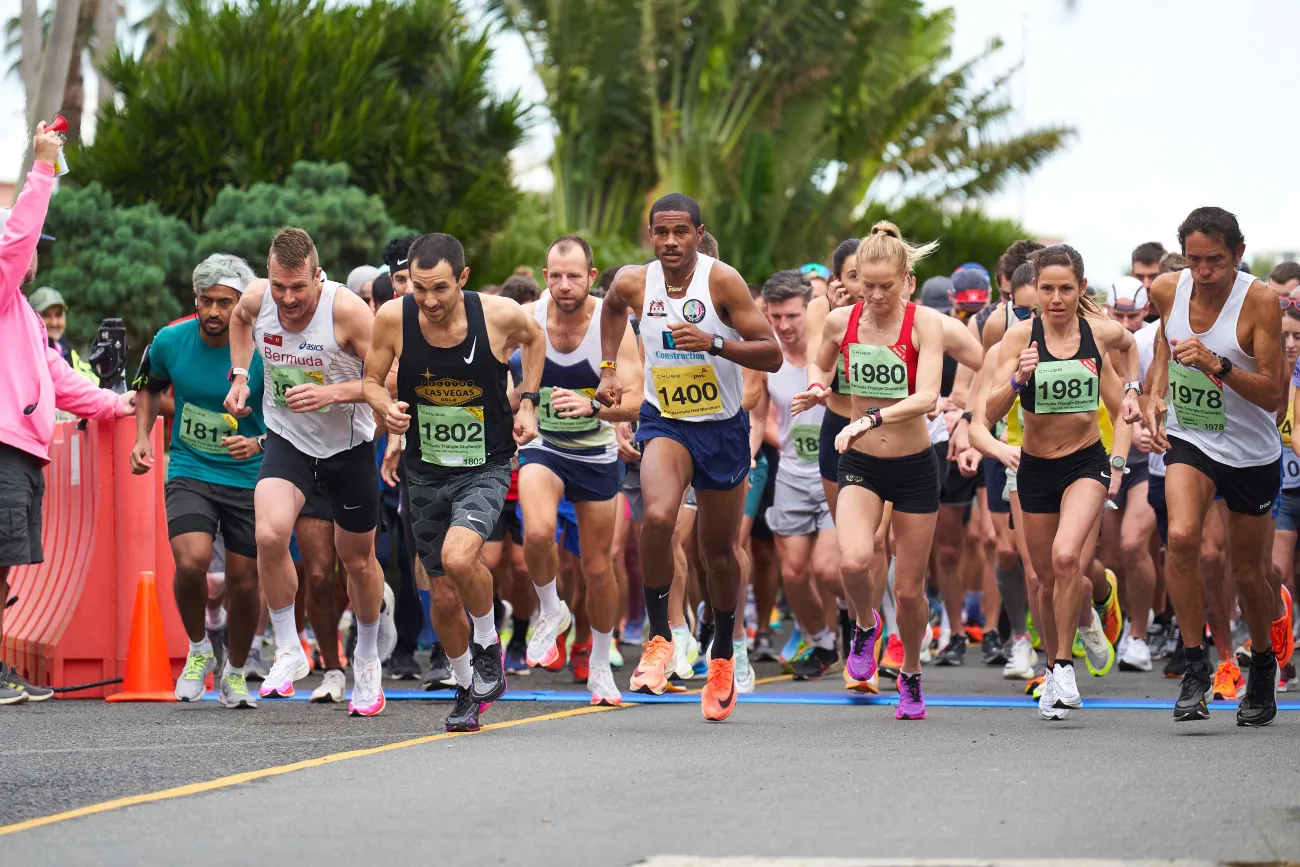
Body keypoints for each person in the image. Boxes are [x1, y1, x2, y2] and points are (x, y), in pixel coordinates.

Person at [597, 192, 782, 722]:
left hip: (722, 428)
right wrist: (609, 369)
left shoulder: (722, 281)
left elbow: (769, 351)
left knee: (718, 553)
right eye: (661, 232)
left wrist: (714, 344)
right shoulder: (636, 281)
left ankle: (722, 650)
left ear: (699, 234)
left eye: (681, 232)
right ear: (650, 235)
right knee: (656, 518)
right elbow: (611, 307)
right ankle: (659, 636)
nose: (671, 242)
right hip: (666, 420)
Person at [364, 232, 544, 732]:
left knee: (459, 556)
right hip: (425, 470)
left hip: (485, 463)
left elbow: (536, 338)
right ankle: (466, 685)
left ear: (462, 279)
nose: (428, 301)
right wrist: (386, 408)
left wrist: (528, 400)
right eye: (419, 289)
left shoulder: (498, 314)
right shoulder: (392, 318)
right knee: (441, 594)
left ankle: (488, 646)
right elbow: (369, 381)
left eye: (439, 288)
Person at [224, 228, 389, 717]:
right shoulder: (259, 298)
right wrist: (238, 376)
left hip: (348, 446)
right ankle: (288, 647)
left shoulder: (348, 313)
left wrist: (333, 393)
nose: (288, 299)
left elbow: (391, 379)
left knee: (356, 561)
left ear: (319, 276)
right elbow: (239, 319)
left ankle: (366, 656)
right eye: (279, 287)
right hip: (289, 438)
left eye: (298, 287)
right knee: (270, 534)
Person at [0, 123, 136, 706]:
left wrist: (116, 403)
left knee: (5, 567)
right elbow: (16, 239)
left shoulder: (23, 316)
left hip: (23, 452)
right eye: (32, 251)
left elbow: (57, 380)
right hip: (5, 447)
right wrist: (42, 168)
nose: (35, 257)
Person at [1142, 207, 1290, 726]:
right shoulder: (1166, 289)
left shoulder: (1260, 300)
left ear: (1238, 256)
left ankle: (1264, 666)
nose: (1203, 272)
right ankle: (1194, 664)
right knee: (1181, 538)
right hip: (1193, 437)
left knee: (1249, 573)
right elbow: (1163, 343)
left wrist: (1217, 364)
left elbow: (1274, 393)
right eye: (1195, 260)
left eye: (1216, 262)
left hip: (1252, 450)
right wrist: (1154, 395)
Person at [793, 221, 946, 720]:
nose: (875, 294)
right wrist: (818, 388)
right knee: (854, 561)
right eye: (866, 283)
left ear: (906, 280)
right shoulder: (842, 322)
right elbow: (818, 366)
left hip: (915, 467)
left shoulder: (924, 324)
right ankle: (864, 625)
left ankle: (912, 672)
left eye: (886, 285)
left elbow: (926, 397)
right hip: (860, 461)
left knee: (907, 590)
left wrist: (870, 418)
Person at [987, 245, 1139, 718]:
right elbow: (987, 413)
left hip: (1086, 463)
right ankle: (1055, 673)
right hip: (1032, 467)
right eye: (1047, 289)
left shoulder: (1098, 333)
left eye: (1066, 288)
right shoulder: (1018, 337)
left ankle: (1062, 664)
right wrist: (1016, 379)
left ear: (1080, 289)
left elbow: (1129, 352)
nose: (1055, 298)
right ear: (1033, 291)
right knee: (1046, 579)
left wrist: (1117, 458)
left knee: (1066, 556)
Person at [130, 254, 267, 708]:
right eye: (205, 301)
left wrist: (260, 442)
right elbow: (148, 387)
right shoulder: (170, 339)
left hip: (249, 475)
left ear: (241, 304)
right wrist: (142, 438)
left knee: (246, 582)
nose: (213, 312)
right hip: (191, 468)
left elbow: (293, 414)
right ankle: (198, 648)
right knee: (192, 561)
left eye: (224, 303)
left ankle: (236, 670)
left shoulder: (264, 347)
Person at [518, 234, 643, 706]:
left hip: (595, 454)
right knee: (537, 533)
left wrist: (592, 406)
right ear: (544, 275)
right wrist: (520, 404)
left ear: (592, 278)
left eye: (574, 276)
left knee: (598, 567)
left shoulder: (611, 325)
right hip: (545, 447)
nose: (564, 285)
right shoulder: (529, 318)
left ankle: (600, 667)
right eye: (555, 276)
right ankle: (551, 611)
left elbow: (635, 399)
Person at [752, 270, 841, 681]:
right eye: (776, 318)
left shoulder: (832, 350)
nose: (784, 326)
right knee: (793, 573)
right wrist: (748, 458)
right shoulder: (767, 356)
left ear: (810, 309)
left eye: (792, 316)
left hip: (836, 474)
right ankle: (822, 643)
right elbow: (757, 418)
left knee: (827, 569)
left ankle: (867, 625)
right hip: (790, 474)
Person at [1103, 276, 1160, 673]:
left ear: (1146, 311)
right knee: (1107, 557)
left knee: (1132, 545)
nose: (1127, 323)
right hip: (1101, 460)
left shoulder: (1154, 341)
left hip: (1145, 464)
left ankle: (1139, 634)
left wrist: (1151, 424)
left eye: (1134, 315)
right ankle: (1121, 620)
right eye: (1119, 314)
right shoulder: (1092, 341)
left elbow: (1164, 395)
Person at [28, 287, 96, 382]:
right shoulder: (27, 352)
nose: (54, 323)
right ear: (31, 317)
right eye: (46, 315)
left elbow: (86, 379)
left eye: (58, 314)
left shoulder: (66, 348)